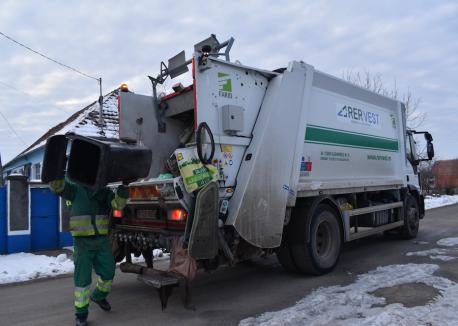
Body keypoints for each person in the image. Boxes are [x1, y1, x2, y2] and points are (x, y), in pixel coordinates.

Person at [50, 178, 128, 326]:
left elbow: (118, 205)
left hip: (101, 241)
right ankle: (81, 315)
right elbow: (57, 187)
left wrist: (124, 187)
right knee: (82, 281)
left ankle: (99, 296)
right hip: (82, 243)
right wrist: (55, 170)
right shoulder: (74, 189)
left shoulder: (104, 192)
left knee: (109, 272)